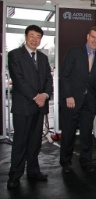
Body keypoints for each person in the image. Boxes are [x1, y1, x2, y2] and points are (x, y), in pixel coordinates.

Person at [59, 26, 96, 174]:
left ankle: (86, 162)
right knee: (69, 134)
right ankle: (65, 162)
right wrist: (68, 95)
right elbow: (64, 75)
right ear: (87, 36)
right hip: (71, 101)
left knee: (86, 134)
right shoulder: (74, 52)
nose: (95, 41)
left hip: (88, 103)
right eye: (93, 37)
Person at [7, 25, 53, 188]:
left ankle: (33, 172)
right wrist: (36, 96)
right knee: (20, 142)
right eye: (32, 36)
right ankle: (15, 175)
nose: (35, 39)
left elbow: (49, 79)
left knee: (35, 142)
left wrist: (45, 95)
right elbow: (18, 80)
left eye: (38, 36)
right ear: (26, 37)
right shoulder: (14, 55)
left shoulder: (43, 57)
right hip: (23, 107)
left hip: (39, 107)